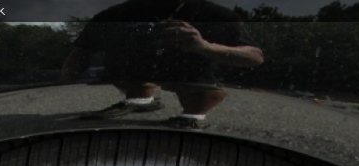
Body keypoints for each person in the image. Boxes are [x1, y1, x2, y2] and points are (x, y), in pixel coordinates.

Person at [61, 0, 264, 128]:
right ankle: (140, 100)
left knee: (197, 79)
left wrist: (204, 46)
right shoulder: (115, 14)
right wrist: (70, 77)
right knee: (118, 42)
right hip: (139, 70)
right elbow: (80, 53)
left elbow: (255, 57)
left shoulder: (216, 15)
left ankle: (194, 113)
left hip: (190, 75)